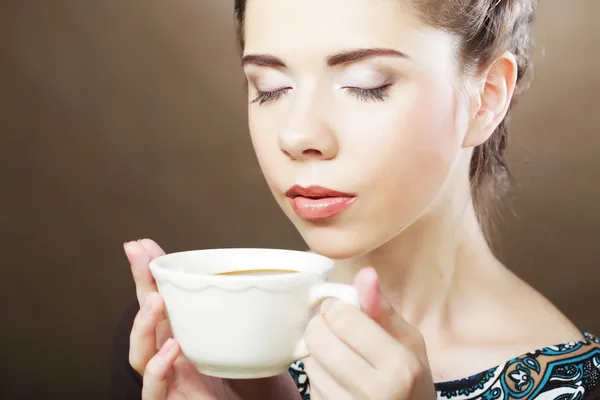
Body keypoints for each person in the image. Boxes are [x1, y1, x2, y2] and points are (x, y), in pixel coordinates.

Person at [109, 0, 600, 399]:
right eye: (270, 88)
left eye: (365, 86)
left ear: (486, 96)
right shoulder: (183, 350)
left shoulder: (578, 386)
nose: (298, 135)